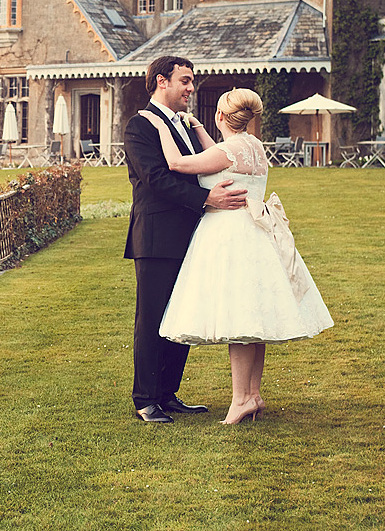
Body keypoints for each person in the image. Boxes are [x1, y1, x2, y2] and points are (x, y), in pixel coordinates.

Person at [138, 88, 333, 425]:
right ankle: (253, 394)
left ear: (221, 117)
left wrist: (159, 129)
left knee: (241, 318)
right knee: (254, 316)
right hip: (258, 234)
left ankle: (242, 399)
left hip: (230, 235)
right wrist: (200, 127)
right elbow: (219, 150)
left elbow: (176, 163)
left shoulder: (226, 153)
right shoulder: (254, 147)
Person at [124, 56, 248, 424]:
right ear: (162, 81)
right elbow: (154, 179)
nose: (191, 88)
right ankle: (146, 399)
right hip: (157, 236)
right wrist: (207, 200)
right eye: (186, 81)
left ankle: (168, 393)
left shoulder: (185, 126)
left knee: (181, 315)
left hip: (192, 235)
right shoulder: (140, 125)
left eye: (192, 81)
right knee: (152, 319)